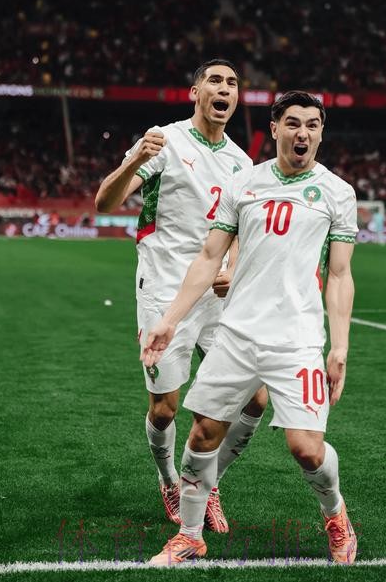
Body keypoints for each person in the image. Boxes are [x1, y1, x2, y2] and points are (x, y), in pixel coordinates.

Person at [142, 90, 359, 565]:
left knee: (306, 448)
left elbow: (340, 275)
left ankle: (336, 514)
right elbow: (209, 257)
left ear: (321, 133)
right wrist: (170, 321)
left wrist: (339, 348)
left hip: (297, 340)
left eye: (313, 125)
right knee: (202, 434)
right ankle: (190, 537)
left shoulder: (338, 192)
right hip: (236, 335)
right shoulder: (243, 183)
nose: (303, 133)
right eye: (294, 123)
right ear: (275, 128)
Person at [95, 59, 268, 533]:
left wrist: (232, 267)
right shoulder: (164, 141)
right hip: (164, 291)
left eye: (232, 83)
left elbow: (238, 231)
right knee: (165, 408)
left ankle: (204, 485)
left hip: (216, 296)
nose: (224, 88)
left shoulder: (242, 163)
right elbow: (104, 201)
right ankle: (170, 480)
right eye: (214, 80)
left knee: (255, 398)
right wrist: (134, 159)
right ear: (195, 92)